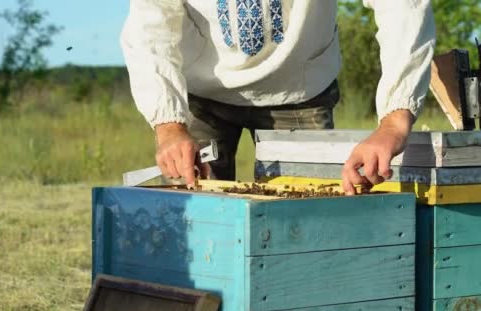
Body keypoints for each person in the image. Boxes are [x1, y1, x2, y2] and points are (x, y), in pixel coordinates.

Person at [121, 0, 435, 195]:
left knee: (307, 228)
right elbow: (151, 29)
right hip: (200, 95)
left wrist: (395, 119)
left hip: (301, 90)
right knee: (193, 225)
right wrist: (169, 126)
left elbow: (402, 8)